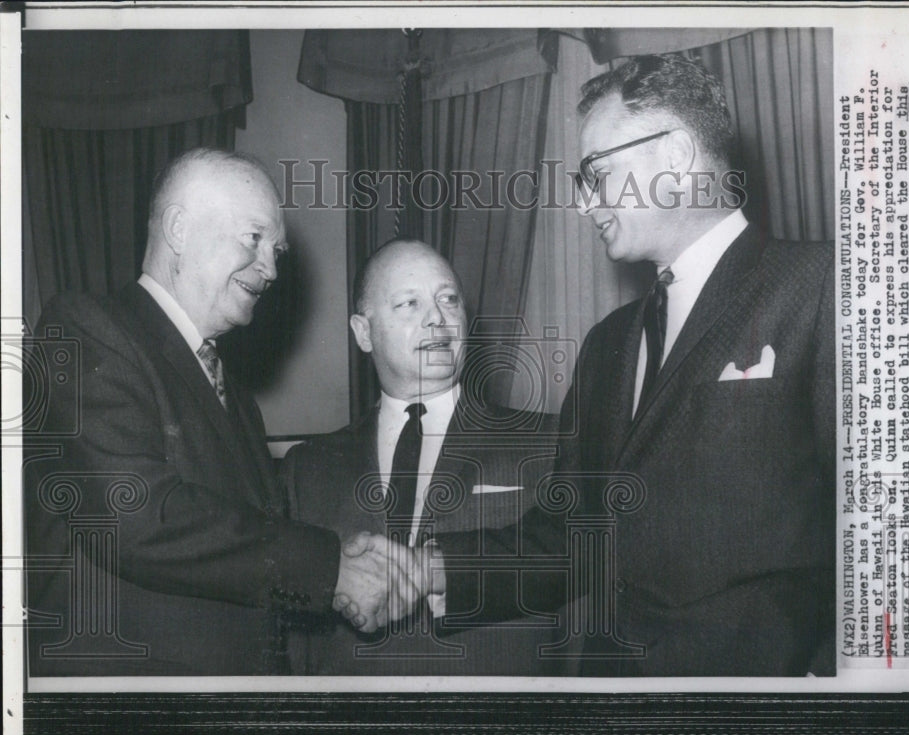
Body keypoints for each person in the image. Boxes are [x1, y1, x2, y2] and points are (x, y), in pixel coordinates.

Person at [401, 53, 836, 676]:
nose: (585, 205)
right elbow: (574, 535)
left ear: (677, 155)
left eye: (596, 174)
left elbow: (881, 530)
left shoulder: (826, 286)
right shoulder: (607, 345)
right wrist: (430, 569)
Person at [25, 147, 417, 676]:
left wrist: (344, 558)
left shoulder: (238, 399)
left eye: (276, 250)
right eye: (254, 239)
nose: (272, 268)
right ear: (179, 228)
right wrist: (332, 568)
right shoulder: (85, 329)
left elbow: (249, 544)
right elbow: (136, 513)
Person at [281, 239, 569, 674]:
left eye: (449, 299)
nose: (437, 317)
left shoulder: (548, 442)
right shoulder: (307, 467)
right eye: (409, 303)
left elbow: (582, 575)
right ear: (363, 332)